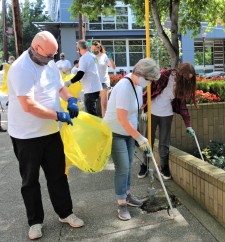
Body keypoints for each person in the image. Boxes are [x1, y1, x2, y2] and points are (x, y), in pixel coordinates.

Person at [7, 31, 83, 240]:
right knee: (30, 181)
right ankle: (35, 222)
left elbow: (60, 88)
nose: (52, 59)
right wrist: (58, 114)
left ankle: (65, 213)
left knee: (58, 175)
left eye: (55, 55)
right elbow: (28, 105)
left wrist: (71, 100)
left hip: (50, 132)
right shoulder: (21, 69)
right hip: (26, 135)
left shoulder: (49, 63)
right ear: (36, 48)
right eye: (49, 55)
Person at [104, 58, 160, 221]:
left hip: (128, 132)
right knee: (123, 167)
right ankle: (121, 204)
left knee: (129, 166)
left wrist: (136, 132)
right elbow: (121, 118)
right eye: (149, 80)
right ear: (142, 74)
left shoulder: (136, 85)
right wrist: (140, 137)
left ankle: (127, 195)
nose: (149, 83)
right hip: (116, 132)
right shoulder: (124, 87)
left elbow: (132, 111)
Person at [138, 62, 197, 180]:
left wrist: (188, 126)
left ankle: (164, 167)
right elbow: (148, 90)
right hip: (152, 112)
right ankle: (145, 164)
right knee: (147, 140)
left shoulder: (183, 85)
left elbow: (182, 106)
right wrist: (144, 109)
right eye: (186, 78)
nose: (188, 81)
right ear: (181, 73)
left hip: (167, 114)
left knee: (164, 143)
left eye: (190, 79)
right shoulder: (164, 75)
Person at [65, 40, 102, 116]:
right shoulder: (93, 56)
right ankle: (97, 126)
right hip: (96, 87)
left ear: (79, 49)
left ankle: (95, 128)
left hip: (90, 88)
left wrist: (69, 82)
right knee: (95, 112)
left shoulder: (84, 58)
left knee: (91, 114)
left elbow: (80, 74)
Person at [91, 41, 116, 117]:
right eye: (92, 49)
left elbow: (113, 67)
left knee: (104, 104)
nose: (94, 51)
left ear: (99, 48)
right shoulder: (92, 57)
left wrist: (110, 57)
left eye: (95, 49)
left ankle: (105, 123)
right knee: (92, 104)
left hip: (104, 81)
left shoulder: (104, 56)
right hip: (94, 82)